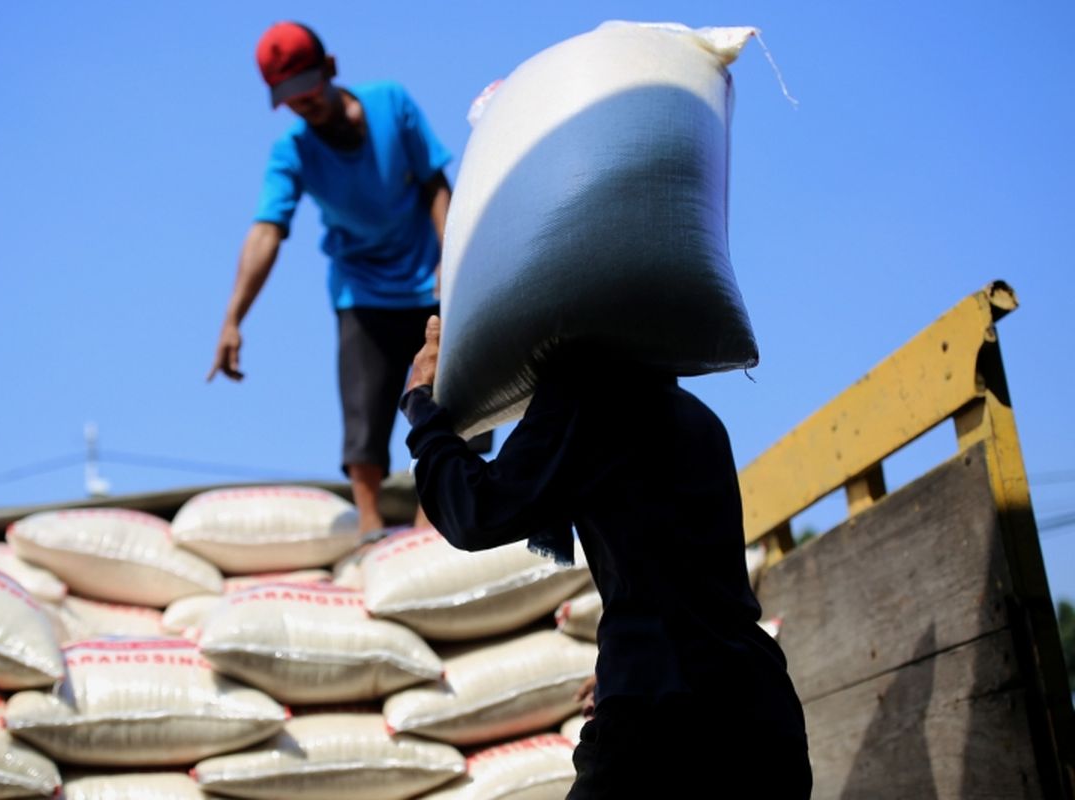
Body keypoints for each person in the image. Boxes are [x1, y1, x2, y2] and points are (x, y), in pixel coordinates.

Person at [401, 316, 812, 798]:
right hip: (763, 719)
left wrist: (421, 406)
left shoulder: (587, 390)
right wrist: (622, 667)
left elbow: (476, 511)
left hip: (665, 727)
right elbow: (677, 575)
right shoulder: (696, 418)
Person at [207, 21, 452, 533]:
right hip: (361, 292)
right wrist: (233, 318)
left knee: (453, 400)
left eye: (307, 90)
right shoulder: (292, 151)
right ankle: (369, 529)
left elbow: (435, 184)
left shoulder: (391, 104)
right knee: (364, 420)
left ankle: (435, 526)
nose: (303, 106)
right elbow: (266, 233)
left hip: (430, 285)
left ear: (332, 68)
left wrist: (452, 264)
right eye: (289, 99)